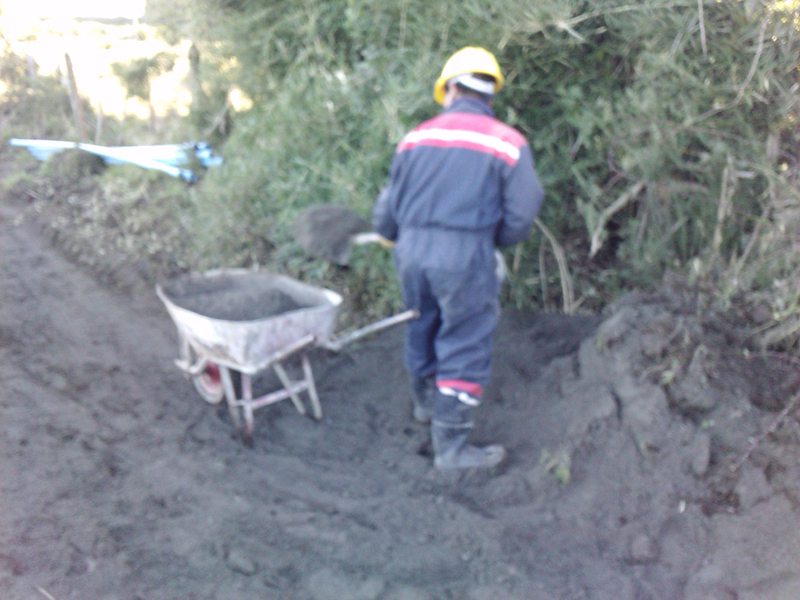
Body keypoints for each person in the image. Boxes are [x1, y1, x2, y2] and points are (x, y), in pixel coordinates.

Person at [372, 47, 545, 469]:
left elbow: (387, 205)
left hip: (411, 250)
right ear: (490, 95)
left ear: (450, 89)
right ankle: (450, 448)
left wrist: (389, 235)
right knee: (464, 340)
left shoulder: (415, 138)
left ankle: (425, 404)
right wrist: (495, 240)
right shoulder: (507, 142)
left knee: (421, 323)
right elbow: (525, 207)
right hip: (464, 251)